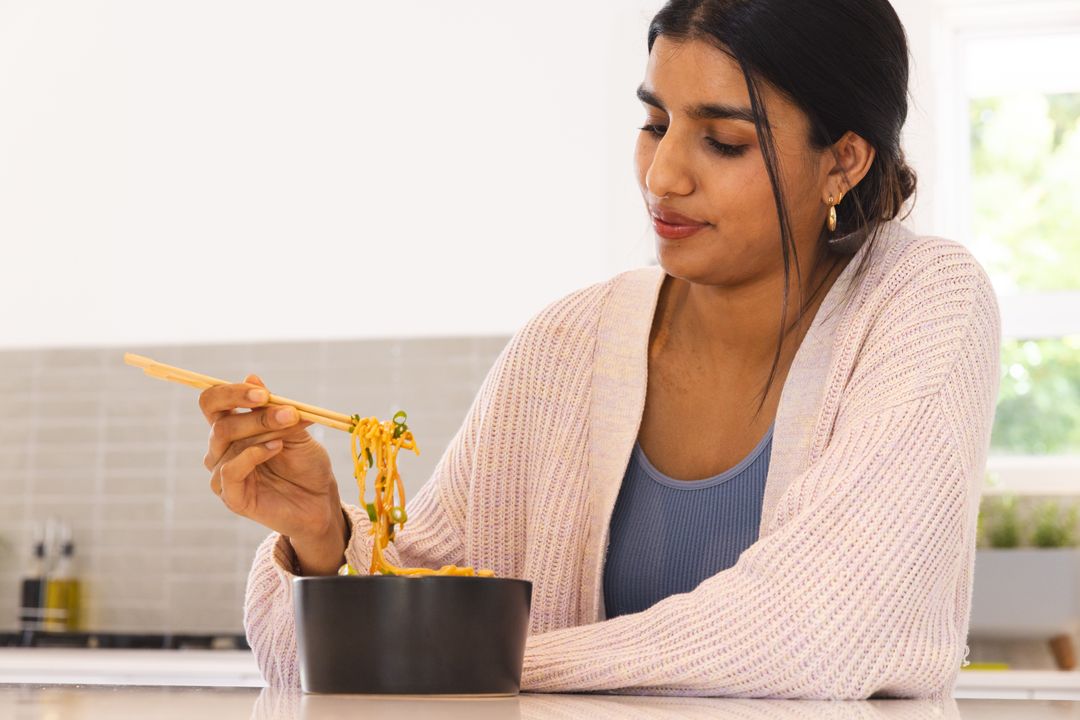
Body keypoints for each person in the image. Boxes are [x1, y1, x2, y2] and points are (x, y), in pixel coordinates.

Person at [199, 0, 1000, 700]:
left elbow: (820, 629)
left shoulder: (922, 302)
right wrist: (320, 540)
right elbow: (395, 633)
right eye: (655, 124)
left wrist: (485, 663)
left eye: (722, 142)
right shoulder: (566, 344)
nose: (663, 176)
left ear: (842, 162)